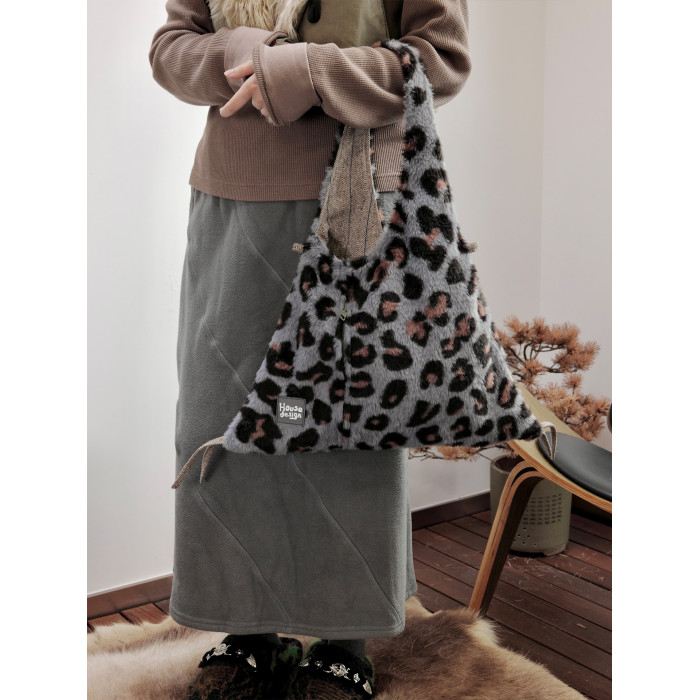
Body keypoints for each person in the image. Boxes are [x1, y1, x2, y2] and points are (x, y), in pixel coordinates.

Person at [149, 1, 471, 697]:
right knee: (220, 418)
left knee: (341, 427)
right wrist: (239, 50)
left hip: (359, 203)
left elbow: (441, 59)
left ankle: (345, 641)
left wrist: (308, 71)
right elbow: (171, 48)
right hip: (229, 202)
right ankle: (246, 629)